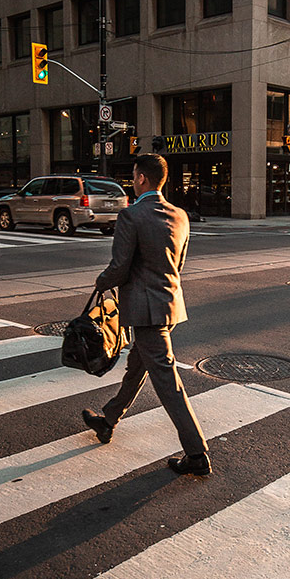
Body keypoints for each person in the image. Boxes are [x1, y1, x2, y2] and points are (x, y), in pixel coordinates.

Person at [81, 153, 210, 477]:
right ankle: (108, 421)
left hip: (145, 308)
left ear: (142, 179)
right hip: (169, 304)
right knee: (138, 367)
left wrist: (102, 281)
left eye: (134, 175)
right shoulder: (180, 215)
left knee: (167, 381)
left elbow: (120, 267)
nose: (133, 180)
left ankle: (196, 453)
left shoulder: (132, 215)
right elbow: (177, 265)